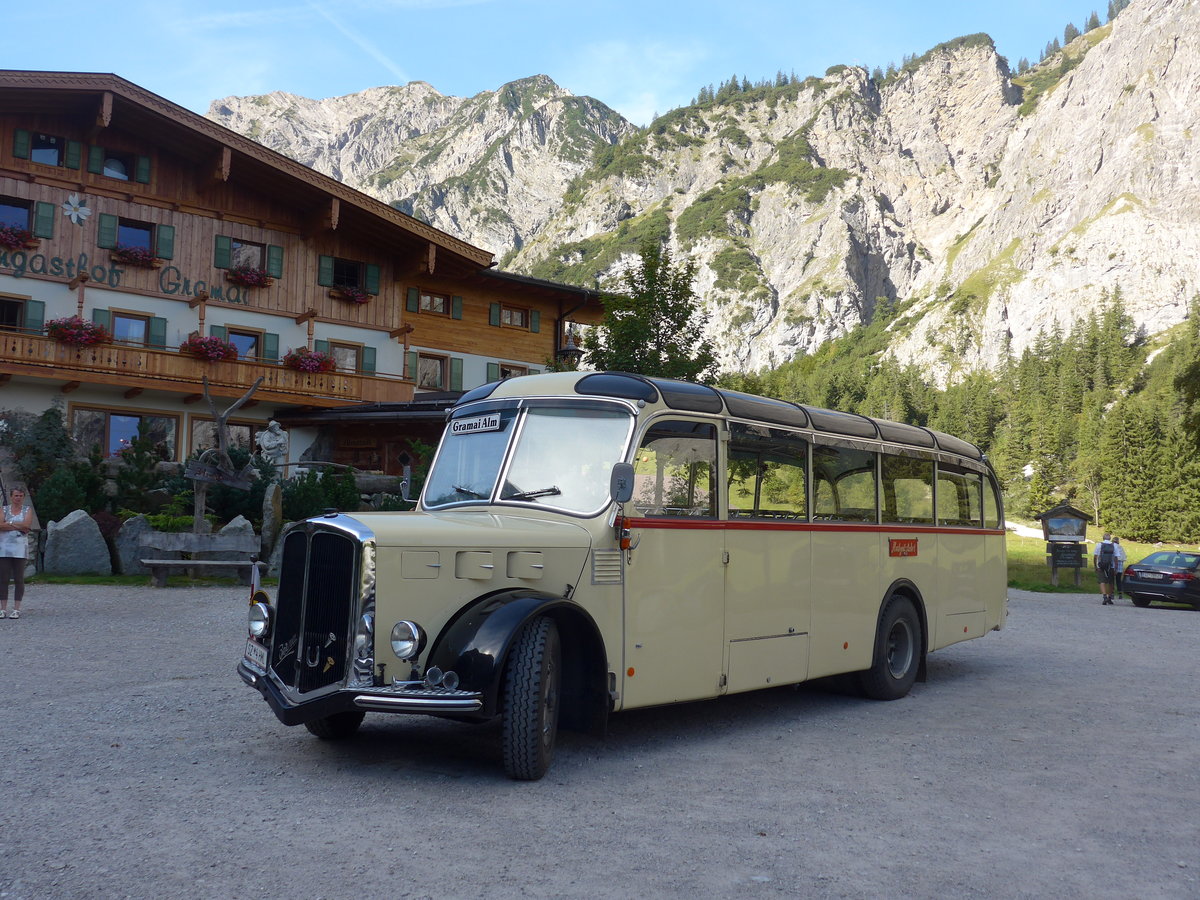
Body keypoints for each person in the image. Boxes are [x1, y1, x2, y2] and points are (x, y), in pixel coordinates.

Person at [0, 487, 32, 619]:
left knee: (19, 578)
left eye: (20, 496)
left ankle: (16, 608)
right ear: (11, 497)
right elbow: (0, 525)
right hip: (4, 548)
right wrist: (17, 525)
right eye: (16, 496)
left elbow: (27, 526)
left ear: (23, 497)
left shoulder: (27, 510)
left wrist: (10, 523)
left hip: (20, 548)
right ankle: (3, 608)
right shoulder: (4, 509)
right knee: (3, 579)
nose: (18, 498)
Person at [1094, 532, 1117, 605]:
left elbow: (1095, 557)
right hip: (1111, 566)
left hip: (1101, 565)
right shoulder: (1114, 545)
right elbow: (1116, 558)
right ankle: (1109, 597)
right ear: (1110, 538)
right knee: (1111, 582)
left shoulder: (1099, 545)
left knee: (1102, 581)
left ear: (1103, 538)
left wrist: (1096, 566)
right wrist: (1115, 568)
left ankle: (1104, 597)